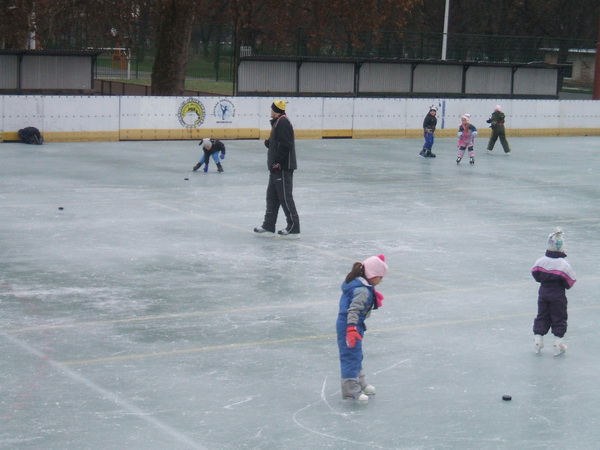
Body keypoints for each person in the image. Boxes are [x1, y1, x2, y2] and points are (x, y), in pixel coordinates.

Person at [336, 254, 388, 403]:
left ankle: (360, 382)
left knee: (357, 354)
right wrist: (351, 329)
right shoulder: (362, 290)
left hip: (354, 324)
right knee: (350, 356)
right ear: (372, 275)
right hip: (349, 325)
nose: (381, 281)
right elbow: (353, 311)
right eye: (380, 277)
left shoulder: (361, 284)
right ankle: (351, 391)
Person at [253, 100, 300, 237]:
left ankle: (293, 226)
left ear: (275, 110)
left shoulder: (283, 122)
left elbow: (286, 144)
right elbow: (279, 142)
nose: (270, 111)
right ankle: (268, 225)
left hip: (282, 167)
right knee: (272, 197)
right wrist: (270, 143)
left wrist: (278, 162)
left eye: (272, 109)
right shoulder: (278, 122)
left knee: (285, 197)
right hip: (275, 167)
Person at [531, 228, 576, 356]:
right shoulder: (563, 264)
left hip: (543, 293)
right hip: (558, 295)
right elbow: (571, 280)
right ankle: (558, 341)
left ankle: (538, 339)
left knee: (542, 315)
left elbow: (535, 273)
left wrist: (543, 280)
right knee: (559, 317)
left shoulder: (541, 261)